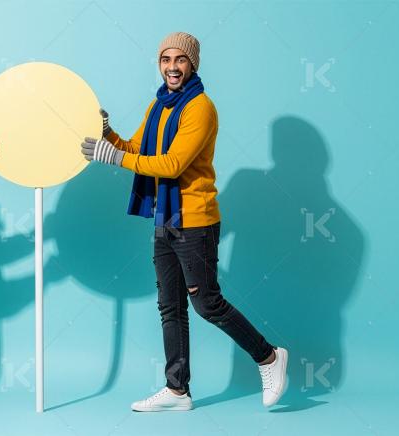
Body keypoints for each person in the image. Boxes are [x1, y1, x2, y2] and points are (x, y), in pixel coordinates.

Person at [80, 32, 288, 411]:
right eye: (165, 60)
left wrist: (113, 157)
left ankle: (269, 357)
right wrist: (108, 133)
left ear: (193, 64)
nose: (172, 67)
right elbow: (138, 150)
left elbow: (172, 164)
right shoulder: (158, 105)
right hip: (165, 217)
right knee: (170, 306)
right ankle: (178, 390)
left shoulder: (200, 108)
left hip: (194, 221)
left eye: (179, 60)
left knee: (207, 303)